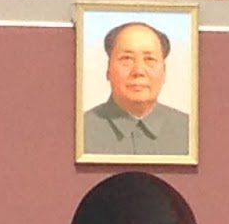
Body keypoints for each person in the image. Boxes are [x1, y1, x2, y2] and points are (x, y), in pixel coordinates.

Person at [80, 21, 191, 157]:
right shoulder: (80, 131)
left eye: (149, 59)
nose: (138, 71)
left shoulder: (190, 132)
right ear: (108, 69)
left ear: (164, 72)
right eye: (127, 59)